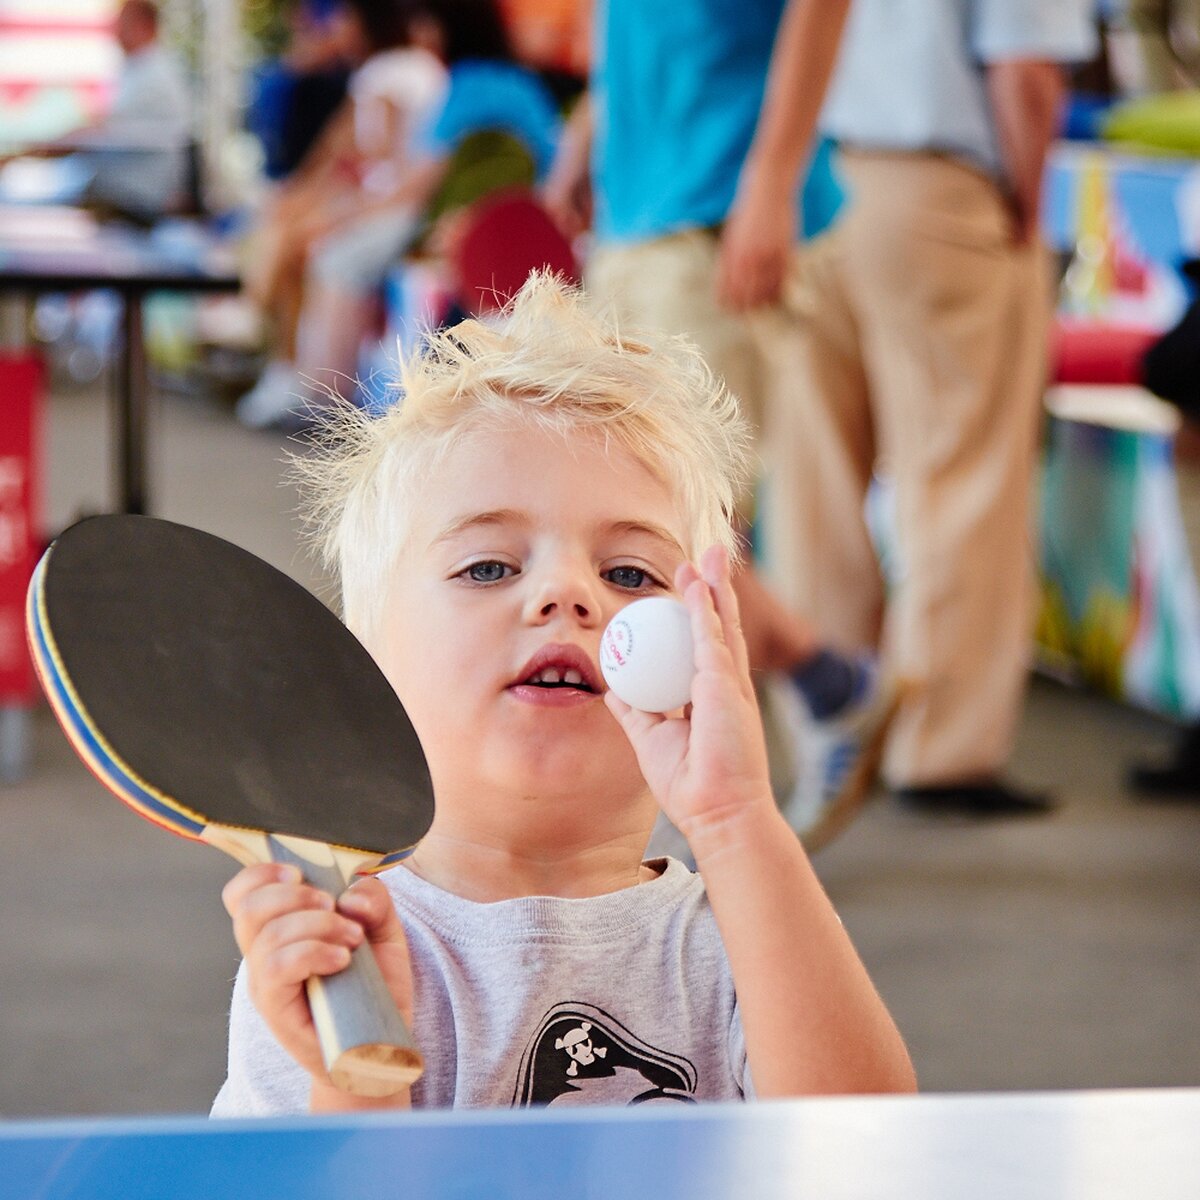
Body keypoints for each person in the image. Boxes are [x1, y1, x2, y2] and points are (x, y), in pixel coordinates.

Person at [210, 273, 916, 1114]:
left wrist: (737, 821)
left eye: (628, 572)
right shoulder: (336, 951)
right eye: (489, 567)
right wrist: (356, 1074)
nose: (566, 595)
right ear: (372, 664)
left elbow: (861, 1145)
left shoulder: (744, 927)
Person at [542, 0, 893, 850]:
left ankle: (728, 820)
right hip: (642, 216)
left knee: (674, 538)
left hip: (714, 219)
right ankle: (824, 687)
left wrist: (769, 185)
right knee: (652, 528)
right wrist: (587, 135)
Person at [745, 1, 1096, 816]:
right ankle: (939, 748)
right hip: (937, 188)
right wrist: (1029, 202)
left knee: (815, 479)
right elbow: (1027, 69)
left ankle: (830, 721)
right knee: (964, 472)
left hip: (811, 188)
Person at [236, 0, 449, 428]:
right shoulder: (418, 69)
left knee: (316, 253)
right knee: (301, 244)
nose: (337, 28)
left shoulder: (385, 73)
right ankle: (296, 373)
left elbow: (372, 154)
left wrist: (334, 203)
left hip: (389, 210)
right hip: (397, 206)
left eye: (346, 18)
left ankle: (310, 384)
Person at [0, 0, 192, 221]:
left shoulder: (154, 75)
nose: (116, 31)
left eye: (122, 23)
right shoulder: (141, 70)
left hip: (129, 199)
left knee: (25, 214)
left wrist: (23, 155)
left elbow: (96, 133)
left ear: (144, 25)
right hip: (120, 193)